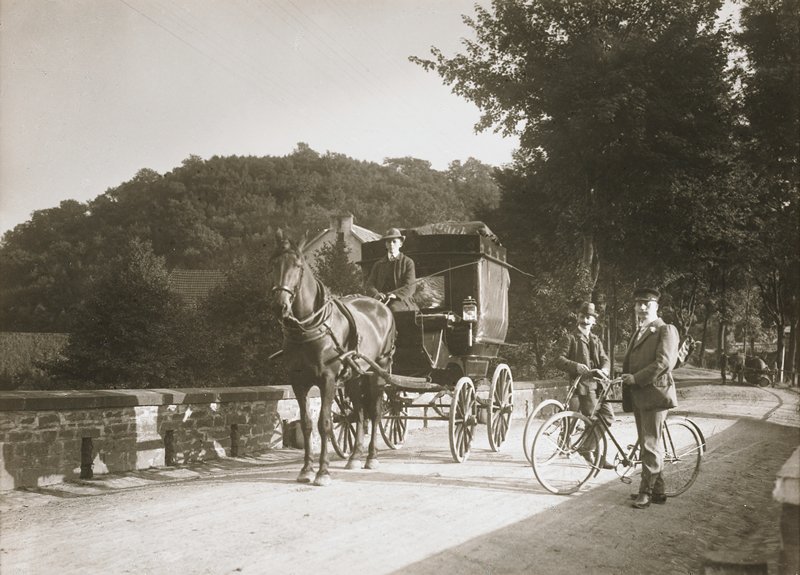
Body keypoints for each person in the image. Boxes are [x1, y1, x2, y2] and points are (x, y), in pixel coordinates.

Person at [621, 287, 679, 509]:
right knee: (648, 443)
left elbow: (664, 363)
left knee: (650, 443)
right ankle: (658, 491)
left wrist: (636, 378)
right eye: (638, 304)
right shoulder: (639, 331)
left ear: (657, 307)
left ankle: (645, 492)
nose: (642, 308)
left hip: (654, 393)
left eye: (647, 304)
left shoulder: (665, 330)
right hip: (638, 394)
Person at [553, 301, 614, 469]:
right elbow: (559, 359)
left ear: (594, 320)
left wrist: (605, 369)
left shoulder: (596, 339)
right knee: (594, 420)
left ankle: (590, 449)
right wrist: (575, 366)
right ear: (578, 318)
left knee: (608, 417)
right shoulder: (570, 338)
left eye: (589, 317)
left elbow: (605, 359)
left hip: (600, 387)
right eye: (582, 317)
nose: (585, 321)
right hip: (583, 387)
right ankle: (594, 454)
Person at [364, 228, 418, 312]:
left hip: (402, 300)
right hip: (381, 300)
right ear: (386, 245)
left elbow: (410, 286)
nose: (391, 244)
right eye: (389, 242)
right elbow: (369, 284)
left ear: (400, 244)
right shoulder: (378, 264)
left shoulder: (408, 262)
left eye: (394, 241)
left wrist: (395, 295)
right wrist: (376, 294)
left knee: (393, 309)